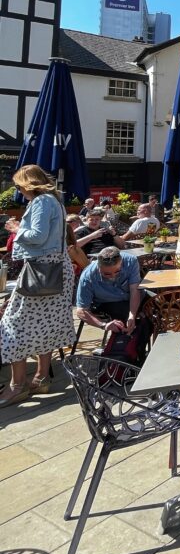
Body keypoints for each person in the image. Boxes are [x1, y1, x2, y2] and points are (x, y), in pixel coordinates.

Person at [0, 165, 75, 405]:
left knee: (12, 325)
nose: (19, 191)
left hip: (41, 269)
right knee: (47, 324)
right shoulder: (56, 201)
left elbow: (37, 236)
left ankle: (17, 386)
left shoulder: (42, 201)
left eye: (19, 185)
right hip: (58, 270)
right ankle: (41, 378)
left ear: (28, 183)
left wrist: (16, 228)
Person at [76, 246, 142, 334]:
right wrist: (104, 325)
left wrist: (132, 315)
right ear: (99, 267)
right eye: (107, 274)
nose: (113, 276)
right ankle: (123, 340)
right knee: (122, 319)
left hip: (130, 296)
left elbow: (135, 290)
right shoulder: (88, 276)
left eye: (117, 271)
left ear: (121, 263)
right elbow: (81, 310)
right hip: (108, 303)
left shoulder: (131, 261)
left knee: (155, 305)